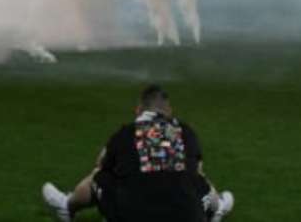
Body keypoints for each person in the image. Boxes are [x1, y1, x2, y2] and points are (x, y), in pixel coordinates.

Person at [42, 85, 234, 222]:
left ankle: (66, 206)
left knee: (99, 176)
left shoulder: (126, 132)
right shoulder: (184, 131)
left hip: (130, 215)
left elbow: (101, 163)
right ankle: (216, 210)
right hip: (187, 215)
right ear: (169, 111)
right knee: (196, 178)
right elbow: (198, 172)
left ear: (138, 110)